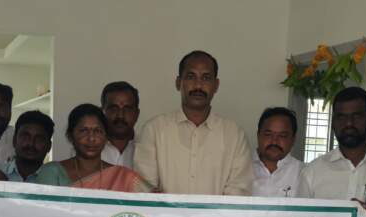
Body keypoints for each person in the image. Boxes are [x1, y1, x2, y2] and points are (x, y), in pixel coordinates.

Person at [134, 50, 252, 196]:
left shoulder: (235, 135)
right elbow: (146, 191)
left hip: (219, 213)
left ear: (216, 85)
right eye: (191, 76)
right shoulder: (154, 130)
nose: (198, 85)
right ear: (178, 83)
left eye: (206, 78)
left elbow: (238, 193)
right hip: (163, 213)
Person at [297, 86, 366, 204]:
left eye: (357, 116)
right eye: (341, 117)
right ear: (333, 122)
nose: (349, 123)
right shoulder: (312, 172)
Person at [36, 103, 153, 193]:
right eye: (83, 131)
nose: (91, 138)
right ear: (70, 136)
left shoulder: (120, 176)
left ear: (106, 136)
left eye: (98, 131)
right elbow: (43, 213)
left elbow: (148, 205)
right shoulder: (51, 172)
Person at [252, 107, 302, 197]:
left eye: (282, 136)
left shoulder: (303, 173)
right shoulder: (240, 168)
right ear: (258, 135)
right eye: (268, 134)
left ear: (293, 140)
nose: (274, 141)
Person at [2, 109, 53, 182]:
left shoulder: (56, 181)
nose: (31, 144)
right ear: (14, 140)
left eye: (39, 139)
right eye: (25, 137)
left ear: (49, 146)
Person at [100, 80, 140, 167]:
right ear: (102, 112)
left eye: (127, 109)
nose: (120, 115)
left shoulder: (146, 148)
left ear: (137, 114)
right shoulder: (88, 149)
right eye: (113, 109)